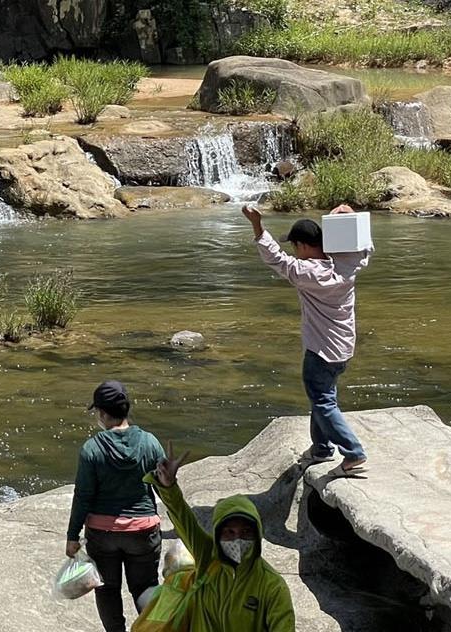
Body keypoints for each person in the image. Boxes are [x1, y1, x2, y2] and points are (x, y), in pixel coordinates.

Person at [242, 204, 371, 475]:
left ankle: (353, 452)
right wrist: (345, 219)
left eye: (294, 246)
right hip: (343, 347)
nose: (293, 251)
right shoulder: (348, 266)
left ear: (302, 245)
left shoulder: (308, 274)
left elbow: (275, 259)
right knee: (322, 397)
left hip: (320, 350)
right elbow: (364, 248)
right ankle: (321, 449)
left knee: (323, 401)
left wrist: (257, 224)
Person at [149, 443, 296, 631]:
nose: (237, 540)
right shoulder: (207, 557)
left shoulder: (273, 586)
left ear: (257, 535)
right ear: (218, 534)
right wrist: (168, 487)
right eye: (230, 532)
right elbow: (185, 521)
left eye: (245, 533)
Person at [65, 380, 166, 632]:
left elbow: (83, 496)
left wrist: (72, 536)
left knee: (108, 590)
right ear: (126, 409)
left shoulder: (92, 450)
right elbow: (166, 488)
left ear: (101, 412)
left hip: (103, 536)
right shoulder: (150, 443)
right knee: (146, 588)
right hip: (143, 532)